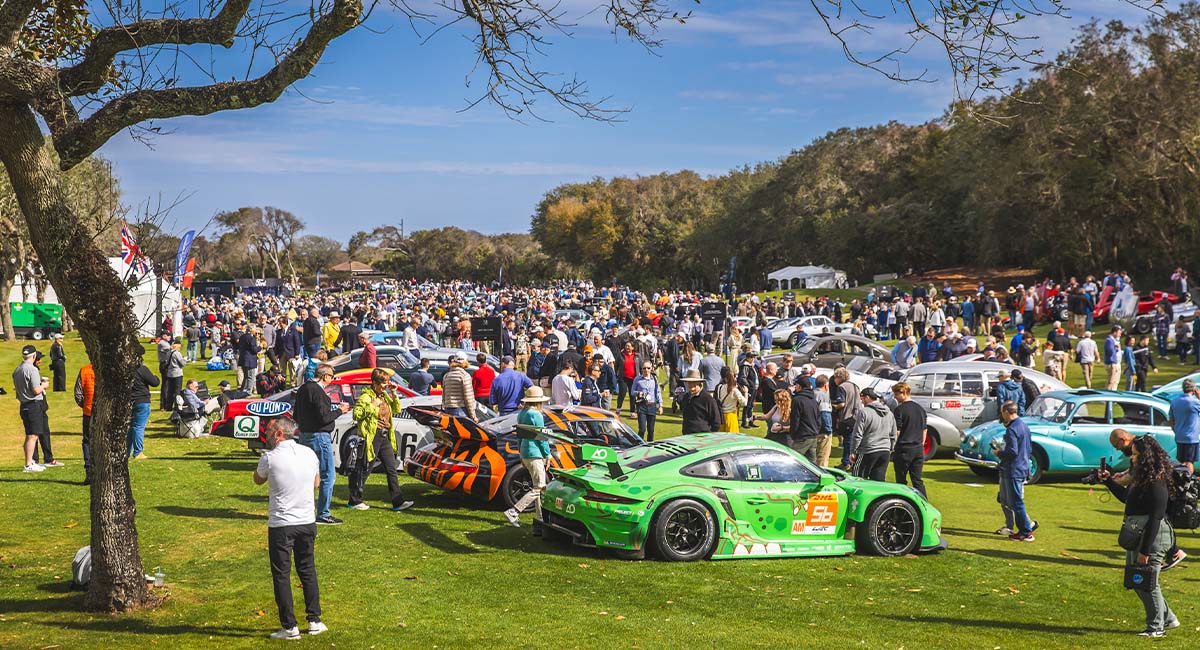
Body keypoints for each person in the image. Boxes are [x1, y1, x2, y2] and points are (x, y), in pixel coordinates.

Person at [1098, 435, 1180, 637]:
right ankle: (1168, 619)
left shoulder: (1157, 481)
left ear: (1146, 456)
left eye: (1135, 454)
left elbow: (1156, 517)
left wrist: (1145, 550)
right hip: (1138, 533)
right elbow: (1127, 498)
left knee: (1148, 583)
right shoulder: (1142, 477)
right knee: (1138, 581)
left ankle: (1156, 628)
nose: (1132, 457)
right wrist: (1108, 481)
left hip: (1154, 536)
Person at [253, 418, 327, 640]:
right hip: (306, 520)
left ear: (278, 435)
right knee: (307, 570)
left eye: (268, 431)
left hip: (282, 524)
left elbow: (258, 480)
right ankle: (314, 620)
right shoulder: (308, 454)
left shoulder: (270, 457)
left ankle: (289, 626)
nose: (265, 435)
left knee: (282, 575)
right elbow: (316, 483)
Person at [348, 368, 415, 512]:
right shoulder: (367, 396)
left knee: (392, 468)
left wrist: (394, 393)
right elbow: (356, 414)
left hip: (385, 436)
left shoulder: (384, 395)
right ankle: (354, 500)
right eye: (383, 383)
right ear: (374, 383)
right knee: (365, 468)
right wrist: (372, 406)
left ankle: (398, 502)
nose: (386, 385)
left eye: (387, 382)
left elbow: (396, 409)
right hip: (372, 436)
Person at [294, 363, 351, 526]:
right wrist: (340, 411)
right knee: (328, 475)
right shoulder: (318, 392)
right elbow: (324, 418)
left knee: (307, 475)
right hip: (319, 436)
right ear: (325, 376)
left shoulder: (304, 389)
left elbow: (296, 414)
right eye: (331, 376)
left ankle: (302, 509)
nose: (332, 380)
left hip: (305, 435)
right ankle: (323, 513)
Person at [503, 386, 553, 531]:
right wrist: (547, 454)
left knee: (537, 486)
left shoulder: (522, 413)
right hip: (535, 452)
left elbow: (519, 435)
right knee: (540, 487)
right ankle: (515, 511)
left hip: (525, 451)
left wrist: (521, 454)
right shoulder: (536, 415)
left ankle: (540, 519)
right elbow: (542, 437)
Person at [994, 401, 1036, 542]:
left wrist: (999, 452)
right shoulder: (1024, 426)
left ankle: (1026, 531)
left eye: (1002, 412)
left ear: (1006, 412)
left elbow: (1012, 452)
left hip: (1013, 469)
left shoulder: (1012, 429)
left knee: (1016, 502)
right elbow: (1028, 448)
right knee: (1014, 501)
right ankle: (1025, 528)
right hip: (1022, 466)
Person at [14, 345, 54, 472]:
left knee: (29, 435)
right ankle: (28, 464)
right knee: (33, 435)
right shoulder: (32, 370)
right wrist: (44, 385)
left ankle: (30, 461)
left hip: (23, 405)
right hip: (33, 405)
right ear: (34, 356)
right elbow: (36, 390)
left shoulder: (17, 369)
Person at [848, 387, 896, 481]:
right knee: (879, 482)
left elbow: (857, 434)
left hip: (868, 450)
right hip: (885, 451)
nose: (861, 402)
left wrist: (853, 451)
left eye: (862, 399)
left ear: (867, 397)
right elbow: (893, 434)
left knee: (858, 479)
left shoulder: (864, 412)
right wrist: (890, 448)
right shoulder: (889, 413)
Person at [891, 381, 927, 498]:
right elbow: (924, 429)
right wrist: (921, 444)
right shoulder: (920, 409)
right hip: (918, 448)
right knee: (917, 480)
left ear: (904, 393)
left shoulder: (899, 410)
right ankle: (924, 503)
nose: (895, 397)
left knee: (901, 480)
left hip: (904, 448)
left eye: (896, 394)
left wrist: (892, 446)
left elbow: (898, 431)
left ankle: (902, 504)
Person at [125, 353, 159, 460]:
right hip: (142, 401)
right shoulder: (142, 369)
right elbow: (155, 382)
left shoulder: (125, 370)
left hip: (130, 401)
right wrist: (156, 377)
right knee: (138, 427)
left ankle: (126, 451)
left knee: (131, 428)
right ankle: (138, 452)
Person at [1168, 379, 1200, 473]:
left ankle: (1181, 481)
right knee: (1189, 462)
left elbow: (1170, 420)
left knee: (1181, 462)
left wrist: (1176, 430)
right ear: (1194, 389)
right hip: (1191, 437)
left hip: (1179, 436)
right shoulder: (1195, 402)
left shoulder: (1174, 401)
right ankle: (1189, 482)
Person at [833, 367, 861, 471]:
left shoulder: (841, 387)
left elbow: (842, 403)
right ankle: (850, 462)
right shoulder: (855, 386)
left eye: (835, 377)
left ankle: (846, 463)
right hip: (857, 417)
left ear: (840, 377)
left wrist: (833, 406)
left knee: (847, 442)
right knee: (854, 441)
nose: (834, 380)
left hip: (847, 417)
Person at [677, 369, 721, 434]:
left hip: (703, 437)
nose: (691, 384)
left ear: (699, 383)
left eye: (694, 382)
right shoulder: (686, 397)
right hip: (687, 437)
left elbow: (716, 422)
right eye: (689, 382)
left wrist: (709, 434)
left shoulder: (708, 399)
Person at [789, 376, 821, 463]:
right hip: (813, 435)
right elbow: (818, 419)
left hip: (802, 436)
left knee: (793, 460)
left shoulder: (797, 400)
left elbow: (795, 419)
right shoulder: (814, 400)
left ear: (799, 386)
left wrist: (793, 434)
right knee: (812, 465)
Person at [631, 360, 663, 441]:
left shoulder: (654, 379)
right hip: (642, 406)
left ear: (651, 368)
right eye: (644, 368)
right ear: (641, 369)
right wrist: (638, 393)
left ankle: (649, 446)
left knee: (651, 430)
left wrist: (660, 405)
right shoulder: (637, 379)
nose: (646, 370)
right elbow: (632, 392)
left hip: (652, 406)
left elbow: (658, 392)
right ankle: (639, 445)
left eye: (648, 368)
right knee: (642, 429)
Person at [74, 363, 95, 484]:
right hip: (104, 412)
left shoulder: (84, 370)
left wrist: (85, 405)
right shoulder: (108, 369)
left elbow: (78, 394)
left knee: (87, 441)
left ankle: (89, 470)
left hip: (88, 411)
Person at [440, 352, 476, 418]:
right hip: (461, 409)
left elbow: (444, 395)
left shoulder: (447, 375)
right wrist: (473, 416)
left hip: (448, 409)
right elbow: (468, 397)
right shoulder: (464, 376)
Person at [713, 366, 747, 433]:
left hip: (721, 416)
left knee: (722, 439)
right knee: (732, 439)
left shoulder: (720, 387)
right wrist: (746, 393)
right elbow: (744, 403)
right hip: (731, 416)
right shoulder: (734, 390)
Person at [238, 324, 261, 393]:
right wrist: (260, 347)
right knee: (251, 376)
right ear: (252, 330)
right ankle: (248, 391)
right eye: (255, 329)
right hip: (250, 359)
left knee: (245, 376)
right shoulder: (251, 338)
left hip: (243, 358)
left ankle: (242, 390)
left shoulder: (242, 337)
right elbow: (254, 349)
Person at [1105, 326, 1124, 391]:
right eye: (1119, 333)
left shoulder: (1114, 340)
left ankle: (1112, 395)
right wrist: (1116, 347)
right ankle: (1108, 397)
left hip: (1115, 362)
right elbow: (1110, 351)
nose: (1120, 334)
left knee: (1115, 381)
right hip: (1112, 362)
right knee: (1111, 381)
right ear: (1114, 332)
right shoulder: (1109, 340)